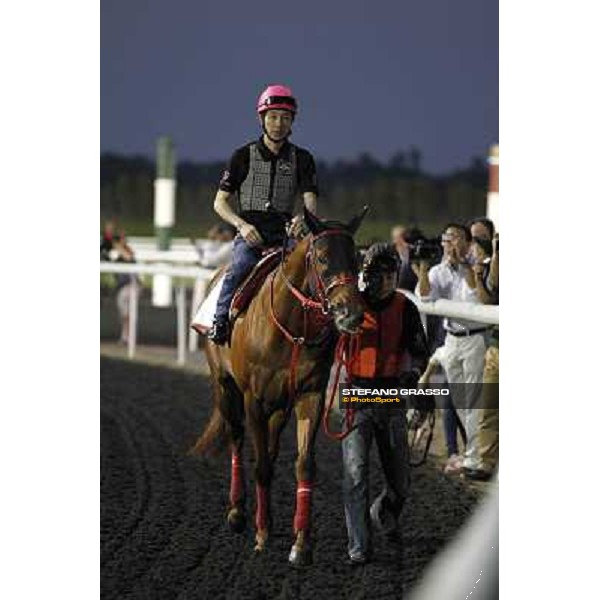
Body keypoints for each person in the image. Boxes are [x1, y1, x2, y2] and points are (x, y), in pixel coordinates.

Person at [208, 84, 319, 344]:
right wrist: (242, 226)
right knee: (238, 269)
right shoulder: (242, 156)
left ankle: (320, 328)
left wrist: (304, 219)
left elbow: (311, 200)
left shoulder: (303, 159)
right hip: (250, 237)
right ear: (262, 119)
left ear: (292, 121)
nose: (278, 123)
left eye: (285, 117)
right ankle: (220, 319)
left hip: (285, 237)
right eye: (272, 117)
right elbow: (219, 203)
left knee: (312, 272)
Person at [341, 243, 430, 565]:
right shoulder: (350, 306)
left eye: (393, 273)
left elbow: (419, 351)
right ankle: (359, 547)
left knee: (401, 482)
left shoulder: (405, 308)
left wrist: (414, 375)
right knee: (355, 474)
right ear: (368, 274)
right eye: (382, 274)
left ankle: (384, 510)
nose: (389, 280)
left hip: (392, 396)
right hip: (355, 396)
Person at [414, 224, 487, 476]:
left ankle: (475, 458)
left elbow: (476, 297)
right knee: (459, 402)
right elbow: (423, 296)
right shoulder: (438, 270)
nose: (448, 243)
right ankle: (471, 454)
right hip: (451, 339)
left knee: (474, 400)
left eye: (454, 238)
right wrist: (423, 266)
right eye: (445, 239)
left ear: (466, 242)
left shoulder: (478, 264)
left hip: (475, 338)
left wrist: (464, 265)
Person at [112, 238, 140, 345]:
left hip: (131, 287)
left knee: (128, 314)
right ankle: (125, 336)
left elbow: (129, 257)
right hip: (122, 288)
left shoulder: (129, 254)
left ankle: (128, 337)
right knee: (124, 315)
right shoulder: (117, 258)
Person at [391, 225, 418, 290]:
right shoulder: (390, 254)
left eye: (406, 236)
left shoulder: (415, 252)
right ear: (395, 240)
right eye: (402, 236)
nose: (406, 239)